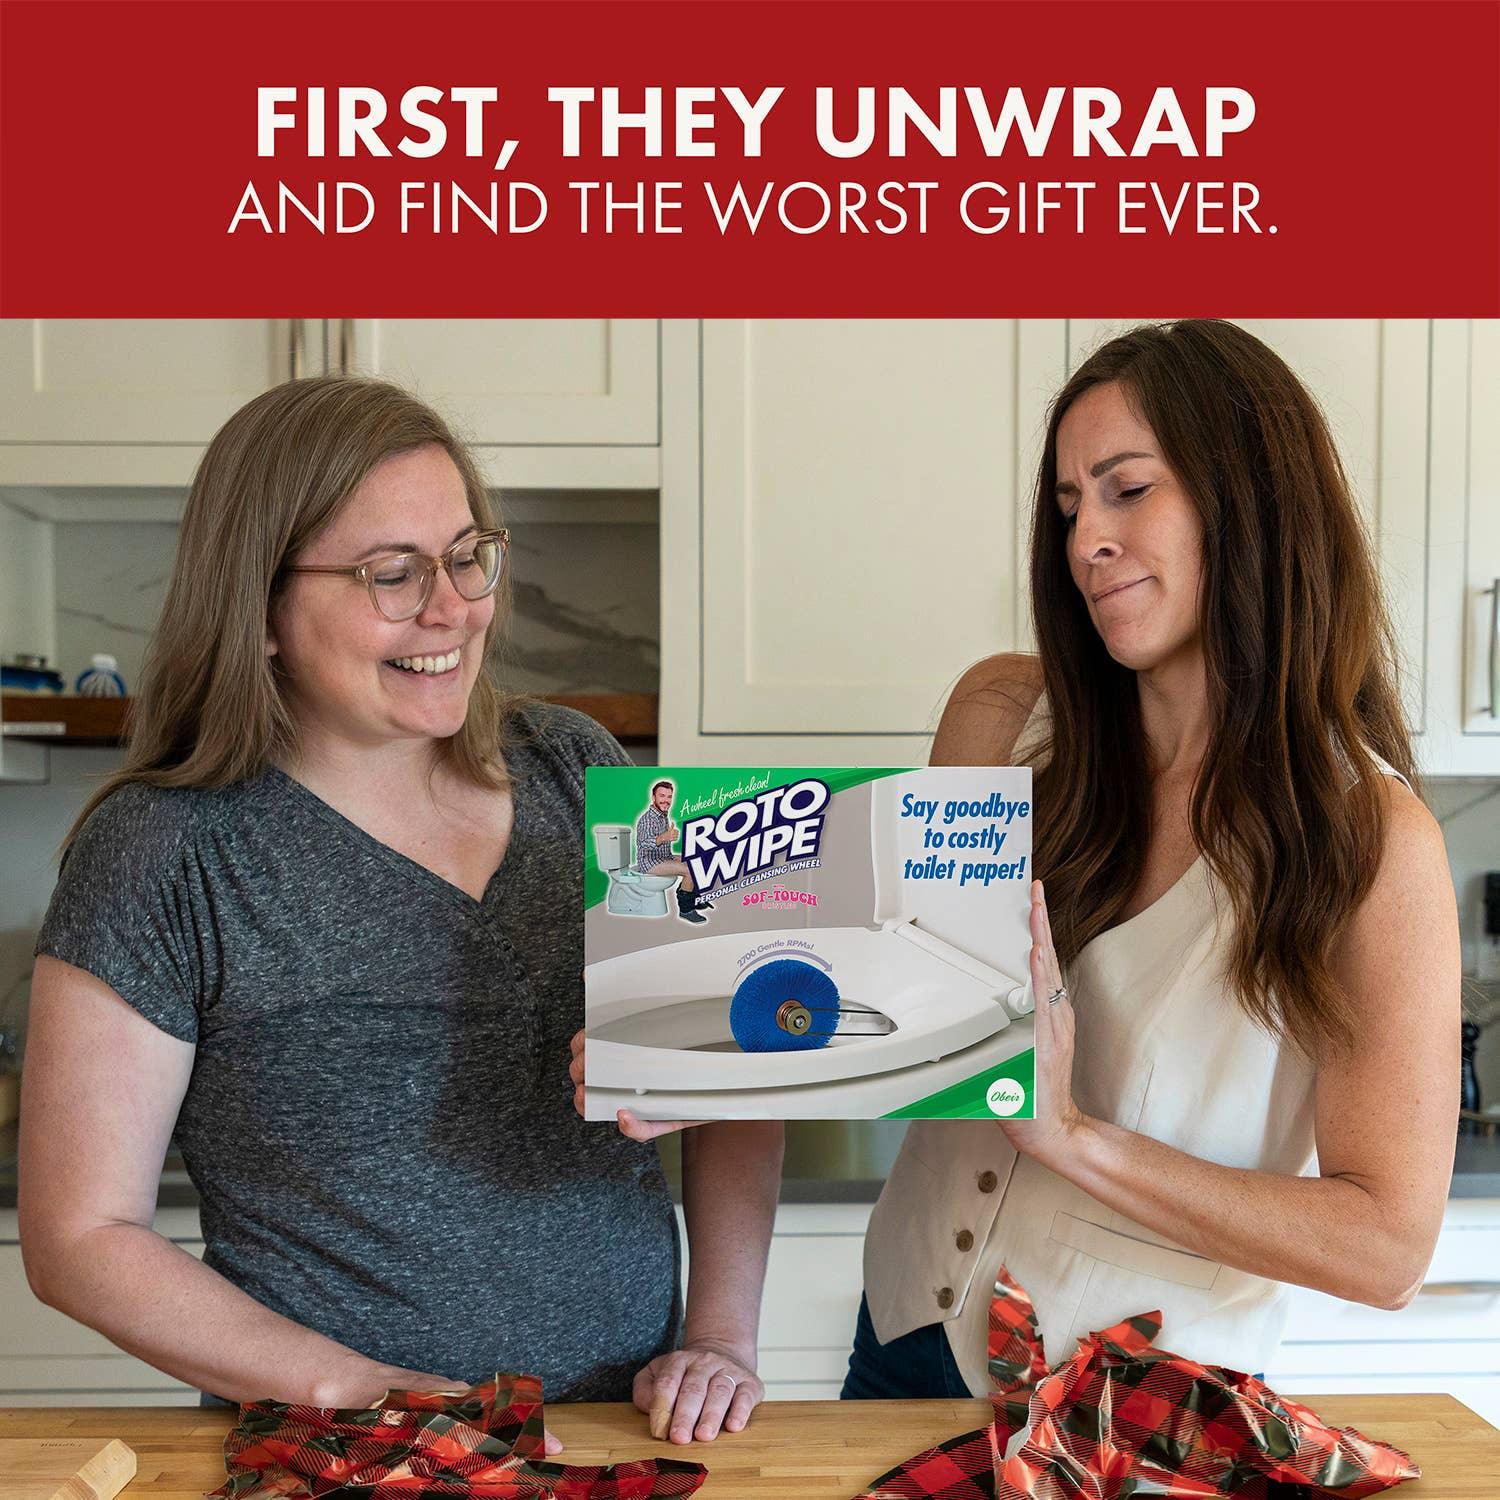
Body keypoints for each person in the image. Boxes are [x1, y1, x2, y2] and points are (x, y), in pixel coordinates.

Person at [19, 376, 783, 1445]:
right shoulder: (168, 849)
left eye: (469, 555)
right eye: (392, 573)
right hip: (345, 1452)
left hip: (631, 1434)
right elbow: (79, 1235)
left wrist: (723, 1334)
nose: (453, 608)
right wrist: (372, 1396)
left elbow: (745, 1069)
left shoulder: (577, 772)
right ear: (262, 607)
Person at [843, 319, 1460, 1400]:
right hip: (905, 1339)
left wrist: (1073, 1137)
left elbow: (1385, 1250)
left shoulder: (1371, 841)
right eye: (1072, 505)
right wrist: (705, 1062)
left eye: (1128, 490)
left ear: (1250, 500)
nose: (1086, 540)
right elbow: (911, 1011)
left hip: (1142, 1407)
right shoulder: (1002, 719)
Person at [635, 778, 712, 923]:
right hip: (650, 862)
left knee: (696, 859)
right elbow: (643, 844)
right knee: (689, 870)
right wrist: (664, 837)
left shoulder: (662, 815)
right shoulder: (648, 819)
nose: (666, 800)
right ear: (653, 797)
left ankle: (690, 895)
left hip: (663, 856)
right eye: (662, 796)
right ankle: (686, 910)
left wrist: (667, 838)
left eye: (669, 796)